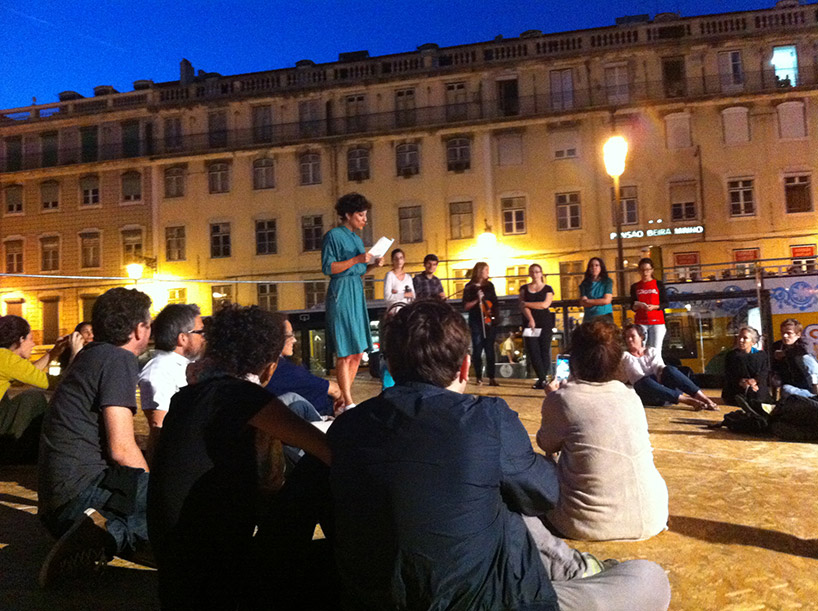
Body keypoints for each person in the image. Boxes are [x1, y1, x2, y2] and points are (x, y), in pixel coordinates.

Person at [328, 299, 671, 611]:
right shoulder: (486, 417)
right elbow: (544, 494)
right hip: (494, 599)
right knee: (649, 578)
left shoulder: (345, 429)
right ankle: (572, 571)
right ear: (464, 367)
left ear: (389, 363)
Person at [147, 305, 332, 610]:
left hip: (178, 585)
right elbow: (325, 449)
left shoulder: (185, 398)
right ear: (269, 366)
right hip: (222, 585)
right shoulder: (242, 397)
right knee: (315, 469)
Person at [38, 287, 153, 588]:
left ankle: (99, 537)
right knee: (176, 501)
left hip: (58, 506)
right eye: (149, 324)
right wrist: (154, 490)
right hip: (81, 500)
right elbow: (122, 449)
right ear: (139, 328)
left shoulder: (90, 356)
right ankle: (106, 534)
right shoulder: (118, 359)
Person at [536, 318, 669, 541]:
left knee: (533, 467)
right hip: (654, 515)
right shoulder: (630, 395)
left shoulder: (563, 399)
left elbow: (546, 444)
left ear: (574, 359)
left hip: (587, 523)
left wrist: (553, 399)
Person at [321, 192, 384, 410]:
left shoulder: (357, 239)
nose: (364, 219)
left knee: (358, 351)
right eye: (361, 215)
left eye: (365, 215)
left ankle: (344, 396)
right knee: (345, 350)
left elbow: (357, 271)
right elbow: (329, 268)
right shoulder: (333, 236)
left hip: (356, 292)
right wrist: (357, 259)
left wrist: (373, 265)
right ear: (348, 215)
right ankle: (347, 399)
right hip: (341, 293)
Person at [137, 303, 205, 460]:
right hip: (177, 459)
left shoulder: (185, 365)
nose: (203, 338)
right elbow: (159, 427)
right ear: (182, 338)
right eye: (200, 332)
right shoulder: (160, 369)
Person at [0, 316, 69, 464]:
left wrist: (54, 352)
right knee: (33, 398)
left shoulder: (4, 358)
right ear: (20, 339)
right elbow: (50, 382)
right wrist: (77, 355)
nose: (33, 344)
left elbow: (29, 373)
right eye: (30, 339)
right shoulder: (6, 359)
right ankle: (29, 455)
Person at [622, 324, 718, 410]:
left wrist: (661, 378)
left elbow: (659, 368)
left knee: (669, 369)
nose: (629, 340)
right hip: (650, 394)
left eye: (632, 336)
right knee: (643, 381)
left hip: (666, 392)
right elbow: (637, 376)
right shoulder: (625, 356)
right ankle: (687, 400)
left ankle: (703, 398)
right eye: (627, 337)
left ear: (641, 337)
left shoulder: (651, 351)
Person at [265, 318, 344, 417]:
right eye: (289, 335)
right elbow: (334, 390)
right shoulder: (283, 368)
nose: (294, 340)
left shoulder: (273, 365)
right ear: (275, 339)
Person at [462, 261, 499, 386]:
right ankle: (479, 377)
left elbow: (494, 301)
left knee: (490, 350)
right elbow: (466, 306)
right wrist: (477, 299)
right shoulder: (469, 287)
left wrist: (494, 316)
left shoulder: (490, 286)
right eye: (486, 270)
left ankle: (492, 377)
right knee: (477, 349)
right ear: (479, 271)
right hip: (476, 321)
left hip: (489, 321)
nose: (488, 273)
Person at [520, 263, 555, 389]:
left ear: (541, 273)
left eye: (537, 271)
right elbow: (522, 306)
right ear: (530, 274)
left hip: (545, 322)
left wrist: (528, 303)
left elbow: (545, 305)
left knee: (544, 350)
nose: (535, 274)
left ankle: (542, 378)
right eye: (532, 272)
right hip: (530, 323)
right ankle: (541, 378)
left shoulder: (548, 289)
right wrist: (530, 319)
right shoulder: (524, 288)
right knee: (533, 351)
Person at [722, 326, 770, 406]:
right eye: (739, 337)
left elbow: (764, 372)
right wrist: (741, 381)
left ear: (753, 342)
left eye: (745, 338)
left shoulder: (761, 355)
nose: (741, 340)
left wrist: (755, 381)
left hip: (756, 385)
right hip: (737, 386)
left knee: (757, 396)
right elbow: (729, 374)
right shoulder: (732, 355)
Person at [771, 318, 818, 399]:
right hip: (792, 387)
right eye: (783, 333)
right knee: (786, 389)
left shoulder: (804, 342)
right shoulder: (777, 346)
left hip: (808, 385)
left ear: (798, 334)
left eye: (789, 333)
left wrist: (785, 353)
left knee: (805, 358)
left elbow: (806, 350)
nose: (785, 336)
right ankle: (812, 398)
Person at [630, 257, 668, 353]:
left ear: (652, 270)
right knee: (641, 349)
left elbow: (665, 303)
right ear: (639, 271)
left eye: (647, 270)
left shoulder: (658, 284)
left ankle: (656, 368)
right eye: (642, 270)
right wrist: (635, 306)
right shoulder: (635, 286)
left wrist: (655, 307)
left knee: (655, 350)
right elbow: (632, 304)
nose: (645, 273)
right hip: (641, 321)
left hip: (657, 321)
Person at [578, 257, 613, 321]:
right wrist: (599, 301)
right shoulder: (584, 283)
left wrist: (589, 301)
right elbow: (583, 302)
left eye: (597, 265)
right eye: (592, 266)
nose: (594, 268)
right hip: (589, 316)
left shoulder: (607, 281)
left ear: (601, 267)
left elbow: (607, 300)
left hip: (604, 315)